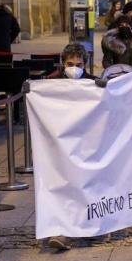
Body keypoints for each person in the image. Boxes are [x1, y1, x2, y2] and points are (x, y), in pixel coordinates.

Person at [46, 43, 97, 250]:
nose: (74, 67)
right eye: (70, 63)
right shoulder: (51, 85)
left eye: (79, 64)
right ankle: (63, 230)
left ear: (85, 64)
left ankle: (88, 223)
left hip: (87, 145)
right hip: (61, 146)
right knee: (63, 186)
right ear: (62, 63)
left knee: (86, 185)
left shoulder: (93, 83)